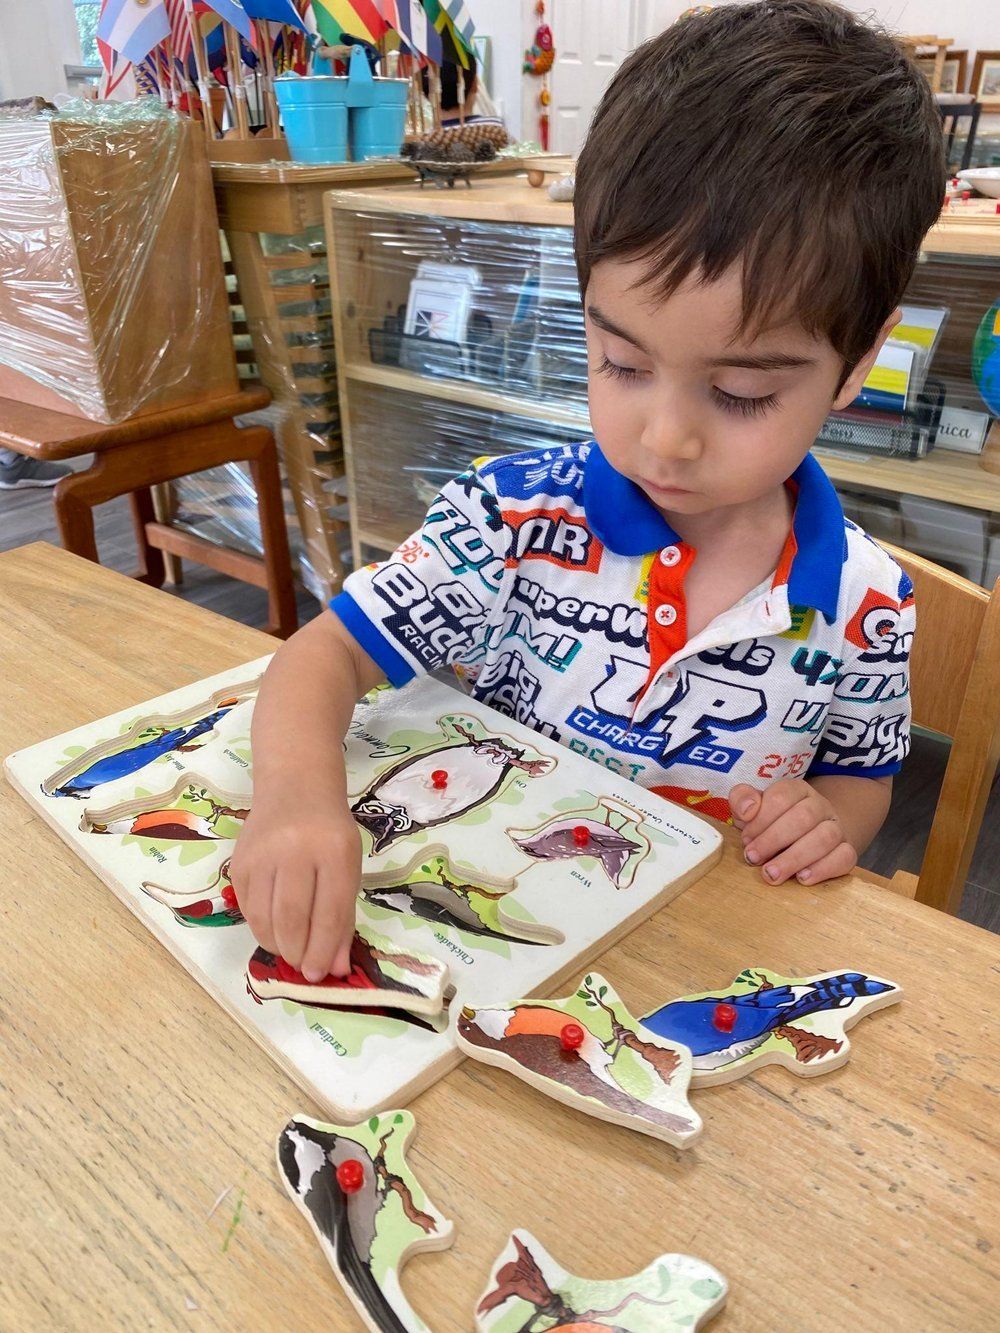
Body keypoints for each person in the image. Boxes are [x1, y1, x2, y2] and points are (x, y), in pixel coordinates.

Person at [231, 1, 943, 981]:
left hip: (688, 961)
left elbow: (859, 776)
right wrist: (295, 800)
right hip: (488, 941)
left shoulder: (866, 607)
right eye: (619, 360)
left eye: (739, 394)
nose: (665, 436)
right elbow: (316, 664)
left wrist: (825, 825)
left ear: (860, 357)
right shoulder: (510, 521)